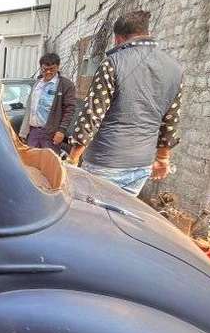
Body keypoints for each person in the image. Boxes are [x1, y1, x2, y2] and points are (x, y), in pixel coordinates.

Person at [66, 10, 183, 195]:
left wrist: (72, 159)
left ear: (118, 38)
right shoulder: (175, 68)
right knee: (122, 212)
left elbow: (92, 114)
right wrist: (163, 158)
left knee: (94, 212)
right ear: (146, 32)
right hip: (141, 165)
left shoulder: (112, 63)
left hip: (106, 162)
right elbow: (171, 119)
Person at [19, 53, 77, 151]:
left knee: (48, 159)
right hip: (33, 131)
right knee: (30, 158)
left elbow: (69, 109)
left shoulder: (65, 85)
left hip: (51, 134)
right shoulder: (37, 84)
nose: (48, 72)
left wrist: (61, 131)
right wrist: (24, 131)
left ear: (58, 67)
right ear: (41, 67)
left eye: (52, 69)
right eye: (45, 69)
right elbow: (30, 108)